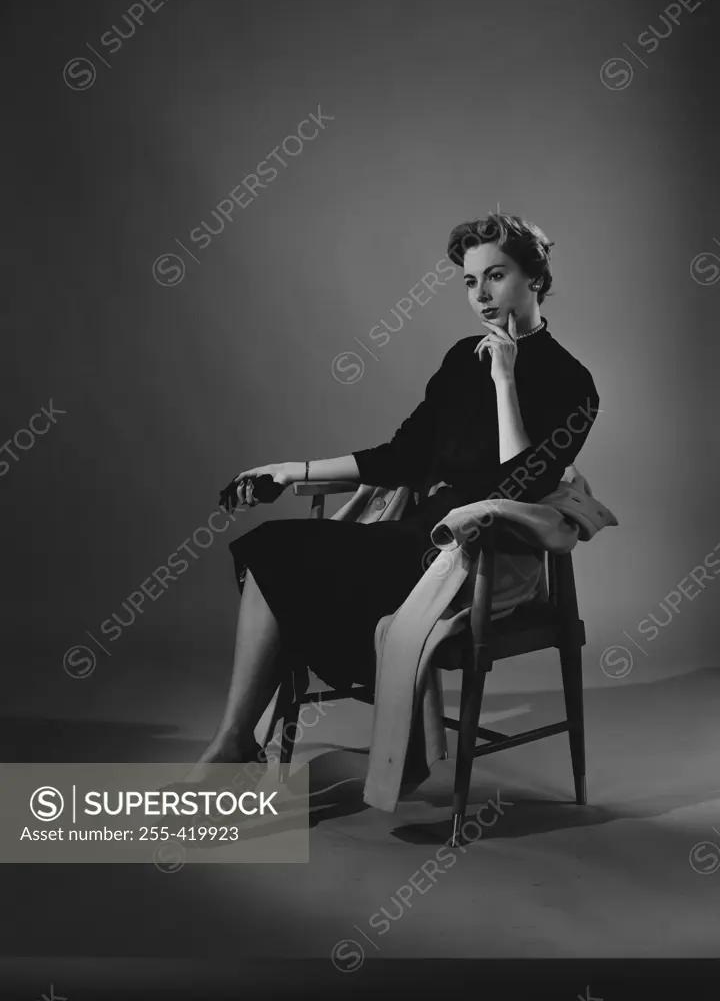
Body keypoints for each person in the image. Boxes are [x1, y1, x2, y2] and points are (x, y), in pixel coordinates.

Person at [186, 212, 600, 780]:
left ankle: (378, 743)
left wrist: (506, 380)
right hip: (417, 532)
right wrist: (291, 471)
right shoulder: (461, 360)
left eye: (495, 276)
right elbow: (402, 454)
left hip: (479, 553)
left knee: (293, 560)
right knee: (271, 547)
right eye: (469, 281)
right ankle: (235, 741)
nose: (480, 295)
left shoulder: (573, 383)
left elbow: (519, 483)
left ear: (535, 279)